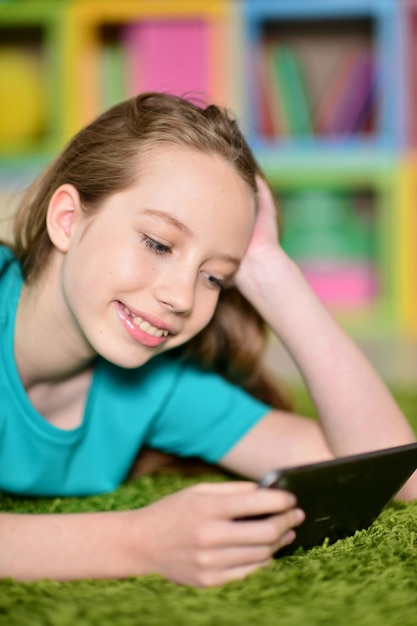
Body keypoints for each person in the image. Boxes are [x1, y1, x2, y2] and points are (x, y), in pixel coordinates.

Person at [0, 92, 416, 588]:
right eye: (157, 243)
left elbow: (390, 473)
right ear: (68, 219)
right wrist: (138, 541)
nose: (180, 296)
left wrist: (266, 269)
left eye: (215, 277)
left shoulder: (159, 385)